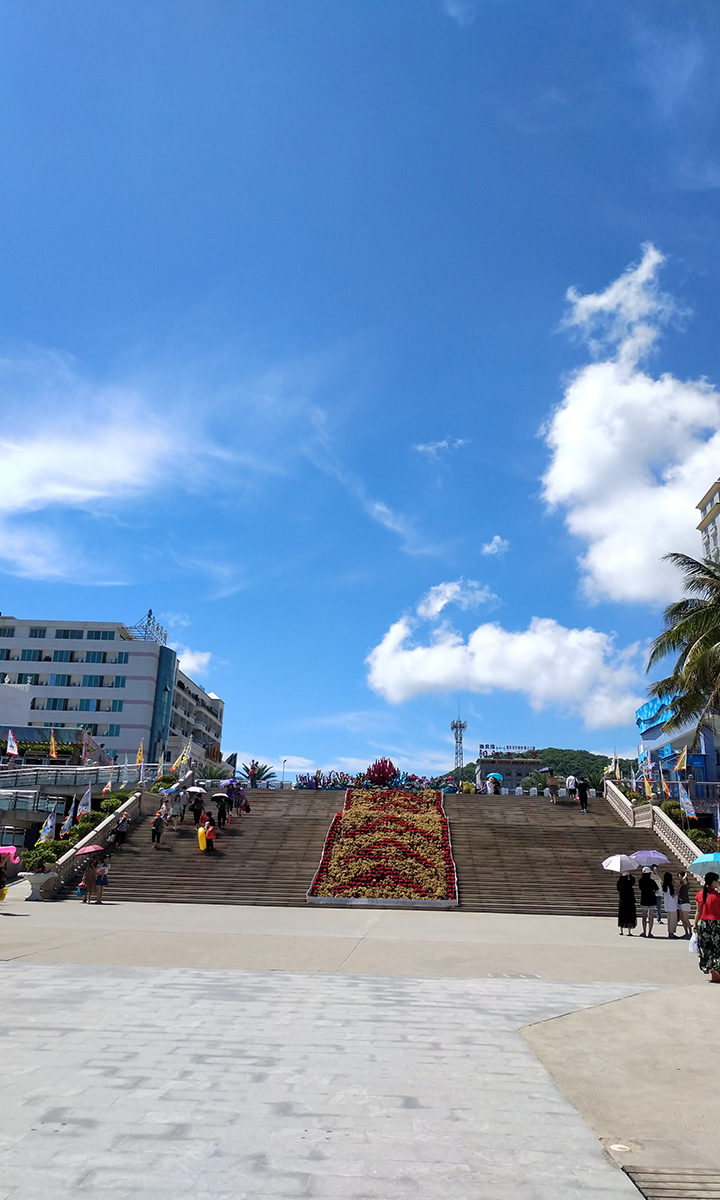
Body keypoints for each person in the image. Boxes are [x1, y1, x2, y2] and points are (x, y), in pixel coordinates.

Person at [694, 872, 720, 983]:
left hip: (703, 924)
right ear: (713, 881)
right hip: (715, 924)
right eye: (717, 880)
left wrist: (695, 924)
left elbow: (698, 911)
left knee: (706, 948)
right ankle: (716, 969)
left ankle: (710, 968)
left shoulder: (700, 895)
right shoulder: (717, 896)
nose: (718, 882)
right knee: (717, 949)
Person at [638, 866, 658, 936]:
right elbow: (656, 889)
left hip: (644, 899)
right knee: (651, 917)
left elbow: (640, 888)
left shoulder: (640, 881)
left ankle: (644, 931)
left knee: (644, 917)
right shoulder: (652, 881)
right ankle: (649, 932)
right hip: (652, 899)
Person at [616, 871, 636, 935]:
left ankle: (622, 931)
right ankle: (628, 931)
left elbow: (618, 888)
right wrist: (629, 874)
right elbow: (633, 881)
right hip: (628, 901)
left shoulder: (620, 883)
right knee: (628, 915)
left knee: (623, 915)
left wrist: (626, 875)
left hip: (624, 901)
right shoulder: (627, 882)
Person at [662, 871, 678, 938]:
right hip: (672, 904)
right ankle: (671, 933)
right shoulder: (670, 886)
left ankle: (669, 932)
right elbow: (673, 895)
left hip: (667, 904)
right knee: (673, 920)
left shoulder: (664, 885)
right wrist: (678, 890)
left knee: (669, 919)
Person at [677, 871, 692, 937]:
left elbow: (684, 880)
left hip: (685, 903)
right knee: (682, 919)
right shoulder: (681, 884)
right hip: (681, 902)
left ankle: (691, 932)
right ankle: (686, 932)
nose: (679, 877)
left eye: (679, 876)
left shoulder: (686, 883)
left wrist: (685, 874)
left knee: (685, 918)